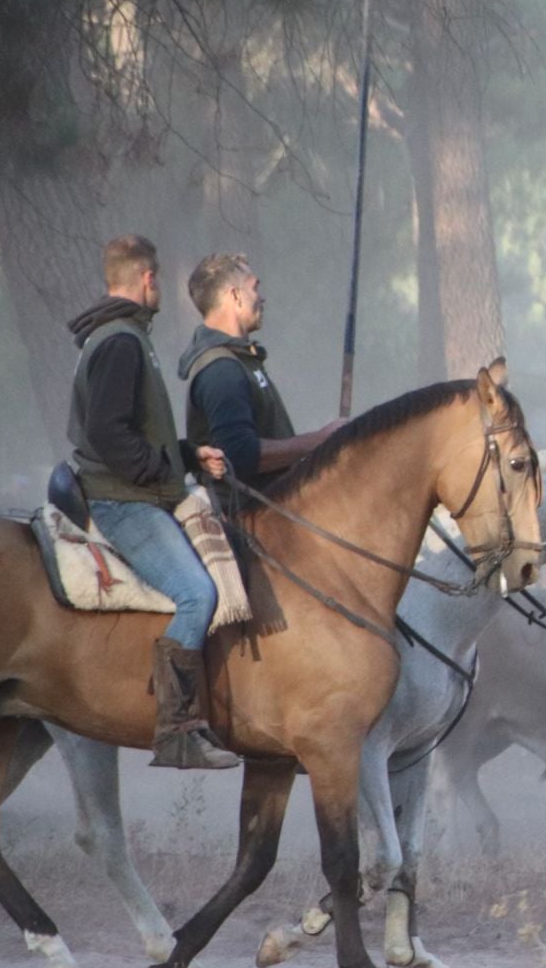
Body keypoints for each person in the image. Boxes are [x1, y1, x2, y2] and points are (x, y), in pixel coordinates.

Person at [66, 235, 237, 771]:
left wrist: (185, 455)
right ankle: (177, 730)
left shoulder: (124, 336)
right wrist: (161, 472)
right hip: (123, 501)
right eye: (158, 279)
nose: (160, 287)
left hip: (139, 490)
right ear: (147, 279)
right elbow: (108, 432)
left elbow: (132, 429)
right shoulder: (121, 341)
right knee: (196, 594)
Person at [178, 253, 342, 508]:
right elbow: (241, 456)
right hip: (248, 518)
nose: (261, 298)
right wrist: (321, 440)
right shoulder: (221, 369)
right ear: (235, 296)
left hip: (272, 510)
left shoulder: (240, 358)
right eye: (254, 288)